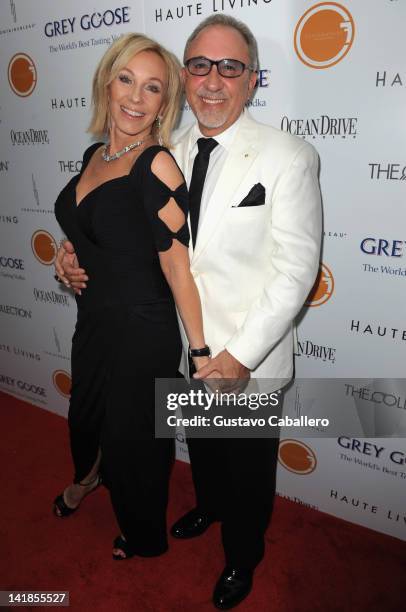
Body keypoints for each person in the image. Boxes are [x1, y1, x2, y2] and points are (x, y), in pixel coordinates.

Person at [56, 15, 322, 609]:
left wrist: (238, 356)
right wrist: (72, 253)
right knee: (202, 448)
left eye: (230, 67)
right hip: (172, 344)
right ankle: (208, 507)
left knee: (249, 470)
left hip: (241, 356)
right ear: (185, 75)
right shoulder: (159, 146)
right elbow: (129, 236)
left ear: (253, 79)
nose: (213, 81)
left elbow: (297, 272)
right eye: (200, 65)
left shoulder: (288, 156)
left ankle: (242, 557)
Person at [52, 32, 211, 562]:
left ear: (165, 103)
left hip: (142, 330)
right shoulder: (95, 153)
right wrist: (66, 254)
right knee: (84, 418)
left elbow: (176, 265)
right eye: (126, 79)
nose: (136, 98)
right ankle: (90, 477)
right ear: (107, 81)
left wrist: (201, 352)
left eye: (152, 88)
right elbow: (98, 228)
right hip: (93, 319)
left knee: (135, 442)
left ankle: (143, 535)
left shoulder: (157, 164)